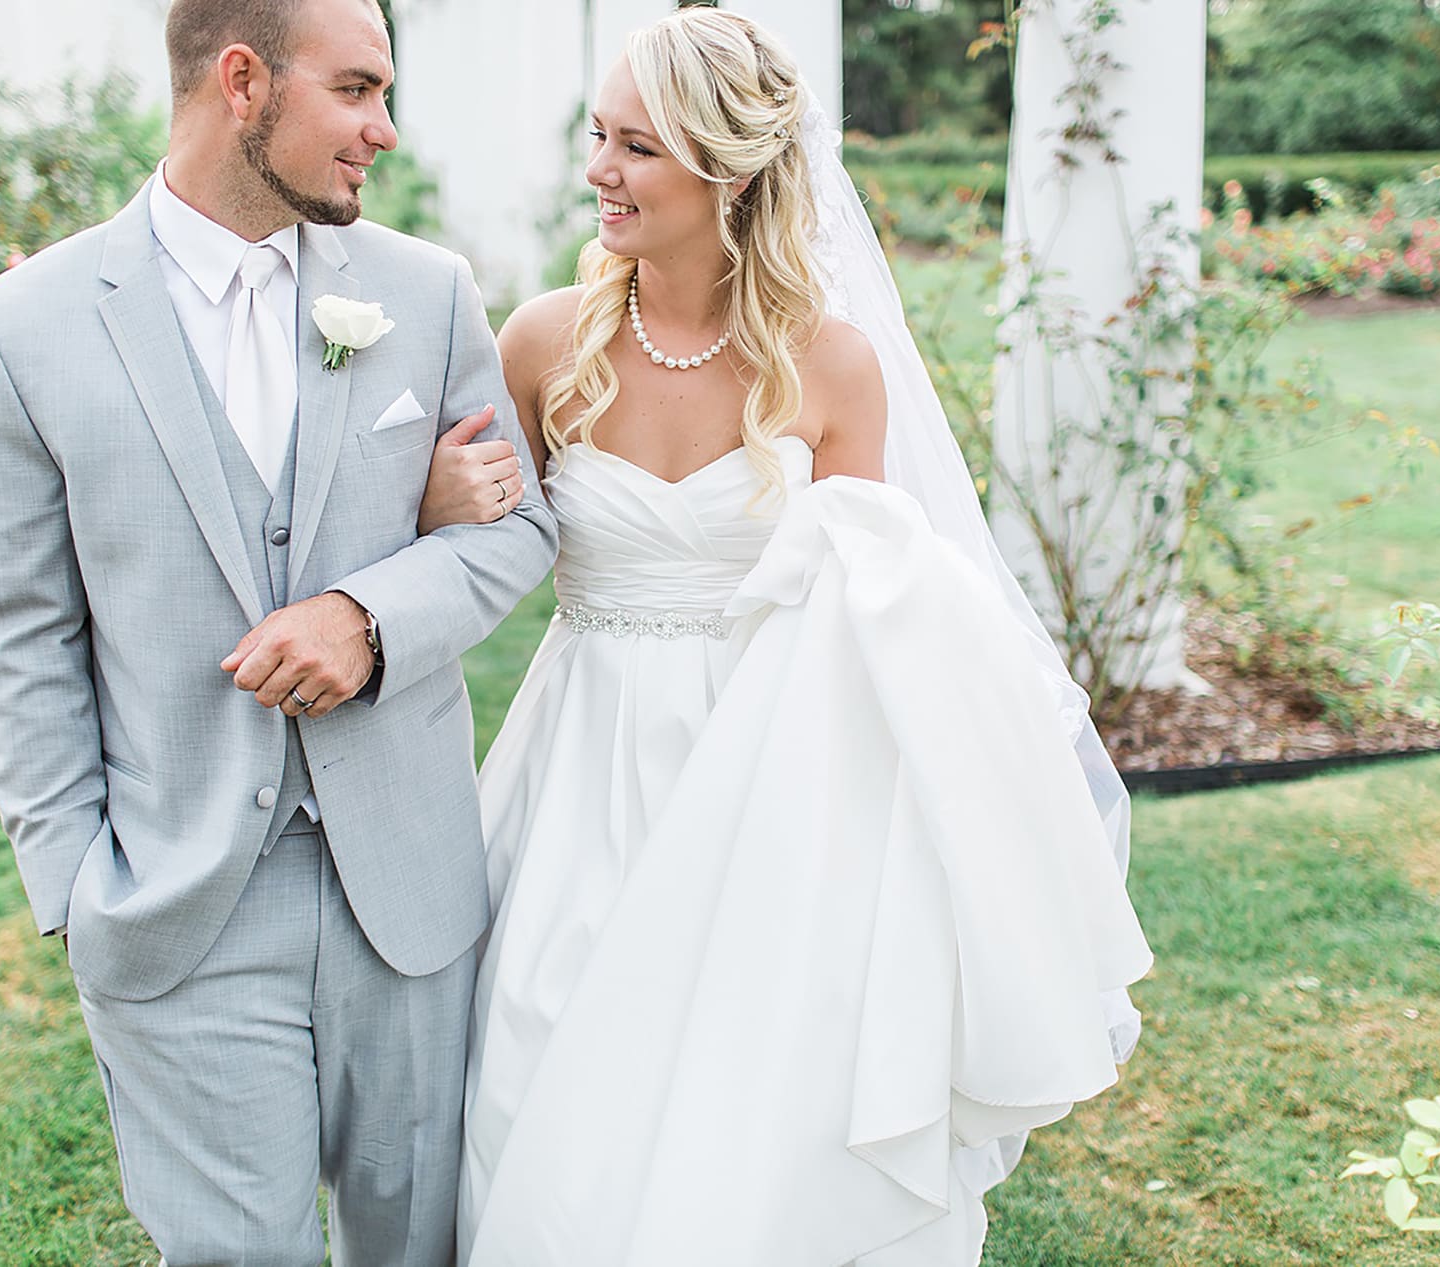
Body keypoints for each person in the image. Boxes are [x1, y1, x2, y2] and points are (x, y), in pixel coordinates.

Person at [434, 9, 1154, 1265]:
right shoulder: (543, 342)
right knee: (543, 1053)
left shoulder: (831, 368)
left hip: (764, 762)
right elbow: (482, 549)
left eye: (638, 147)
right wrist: (450, 504)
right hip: (580, 758)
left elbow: (871, 612)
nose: (599, 170)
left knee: (749, 1082)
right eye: (598, 138)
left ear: (731, 170)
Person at [0, 0, 556, 1262]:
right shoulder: (26, 327)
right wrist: (72, 882)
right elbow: (21, 631)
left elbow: (515, 530)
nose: (383, 131)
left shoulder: (423, 292)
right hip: (179, 902)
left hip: (410, 894)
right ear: (243, 81)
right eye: (355, 90)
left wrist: (365, 616)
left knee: (420, 1247)